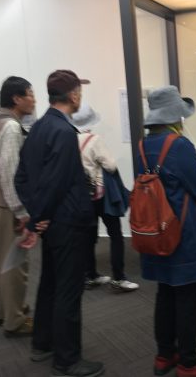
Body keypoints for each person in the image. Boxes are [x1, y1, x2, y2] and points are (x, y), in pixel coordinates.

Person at [15, 70, 104, 377]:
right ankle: (67, 359)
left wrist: (37, 216)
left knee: (50, 284)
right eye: (80, 92)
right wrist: (38, 219)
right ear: (74, 95)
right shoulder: (64, 131)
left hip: (53, 222)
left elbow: (21, 178)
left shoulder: (39, 127)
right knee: (68, 290)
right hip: (68, 222)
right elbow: (57, 183)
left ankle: (42, 343)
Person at [140, 86, 196, 377]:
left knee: (165, 291)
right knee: (188, 294)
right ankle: (189, 362)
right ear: (175, 115)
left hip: (155, 229)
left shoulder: (142, 146)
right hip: (182, 230)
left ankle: (165, 354)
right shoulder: (179, 145)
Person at [0, 76, 36, 337]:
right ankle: (15, 321)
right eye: (30, 94)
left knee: (4, 264)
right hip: (6, 207)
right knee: (15, 266)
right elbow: (10, 174)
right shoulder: (11, 127)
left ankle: (2, 312)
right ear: (16, 98)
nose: (34, 100)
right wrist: (21, 212)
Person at [72, 103, 139, 293]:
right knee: (115, 235)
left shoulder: (70, 139)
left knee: (89, 236)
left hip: (84, 197)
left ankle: (90, 275)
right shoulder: (95, 140)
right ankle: (118, 277)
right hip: (102, 196)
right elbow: (110, 165)